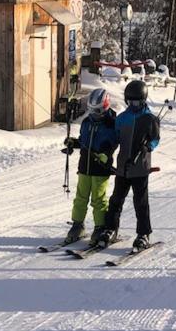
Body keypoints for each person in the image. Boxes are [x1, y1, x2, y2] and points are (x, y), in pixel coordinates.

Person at [98, 80, 160, 250]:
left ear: (143, 100)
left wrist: (148, 146)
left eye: (137, 102)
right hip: (123, 168)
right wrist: (107, 150)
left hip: (140, 168)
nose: (133, 105)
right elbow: (116, 139)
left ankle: (143, 233)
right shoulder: (122, 118)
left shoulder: (150, 119)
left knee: (140, 202)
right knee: (116, 200)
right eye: (130, 102)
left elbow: (155, 139)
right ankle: (110, 229)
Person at [63, 88, 118, 246]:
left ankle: (100, 227)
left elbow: (114, 143)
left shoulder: (111, 124)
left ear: (105, 106)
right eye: (92, 110)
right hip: (85, 167)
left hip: (101, 168)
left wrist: (106, 154)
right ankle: (78, 225)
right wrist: (73, 143)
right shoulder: (87, 122)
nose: (94, 114)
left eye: (98, 110)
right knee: (80, 197)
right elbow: (83, 141)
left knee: (98, 199)